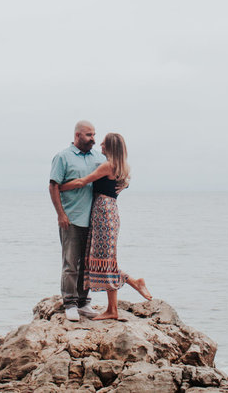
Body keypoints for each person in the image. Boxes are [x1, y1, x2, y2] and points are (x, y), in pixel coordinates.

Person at [60, 132, 151, 320]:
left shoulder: (108, 166)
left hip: (103, 213)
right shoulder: (122, 167)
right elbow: (123, 183)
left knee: (104, 261)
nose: (100, 146)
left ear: (110, 147)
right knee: (104, 260)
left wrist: (59, 187)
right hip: (110, 211)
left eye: (103, 144)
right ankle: (115, 305)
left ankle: (126, 291)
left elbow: (82, 182)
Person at [50, 120, 105, 321]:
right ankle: (70, 303)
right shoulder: (63, 157)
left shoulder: (99, 157)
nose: (93, 139)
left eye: (94, 134)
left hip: (94, 220)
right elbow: (53, 186)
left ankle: (83, 303)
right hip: (71, 219)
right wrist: (61, 214)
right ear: (77, 136)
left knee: (87, 265)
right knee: (70, 264)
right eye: (89, 135)